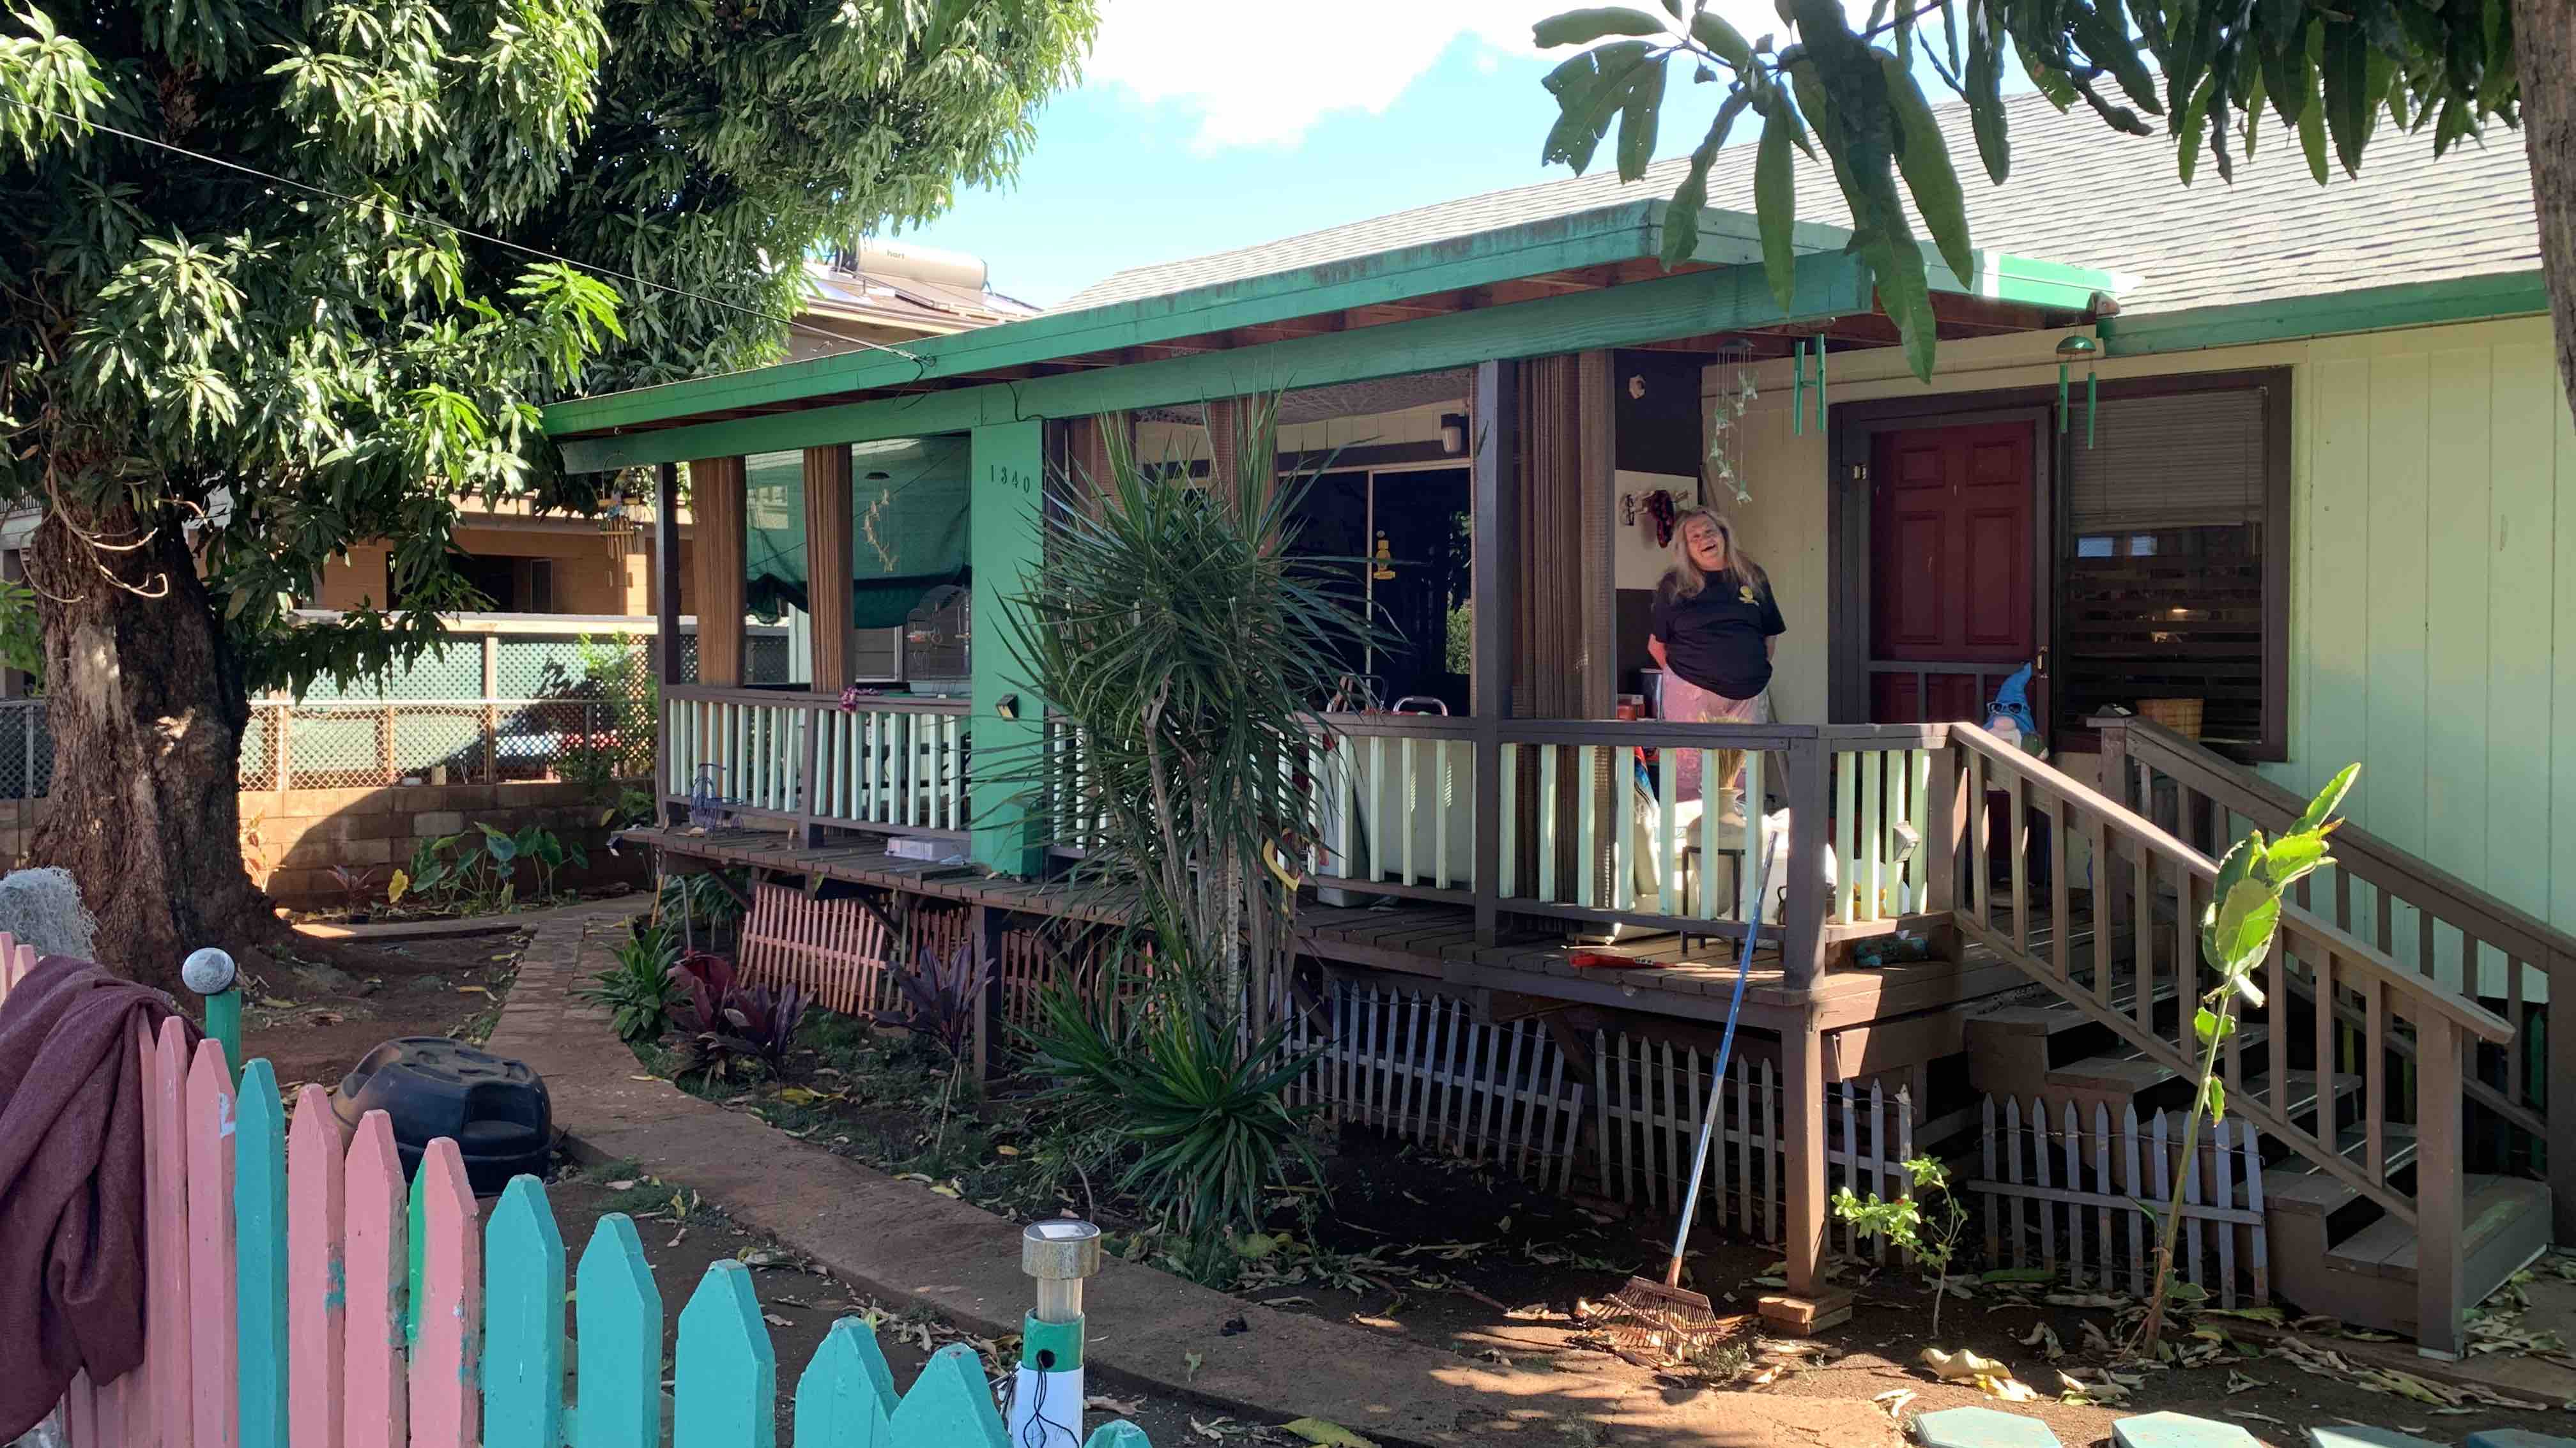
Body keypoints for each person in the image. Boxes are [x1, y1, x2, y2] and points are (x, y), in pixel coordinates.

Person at [1647, 508, 1783, 805]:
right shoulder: (1674, 585)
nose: (1704, 539)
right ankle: (1688, 834)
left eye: (1710, 531)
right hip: (1692, 694)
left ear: (1723, 534)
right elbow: (1657, 646)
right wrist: (1689, 683)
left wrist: (1748, 672)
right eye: (1694, 536)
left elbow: (1769, 635)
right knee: (1689, 776)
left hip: (1748, 696)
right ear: (1686, 548)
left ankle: (1740, 834)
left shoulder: (1752, 576)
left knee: (1744, 776)